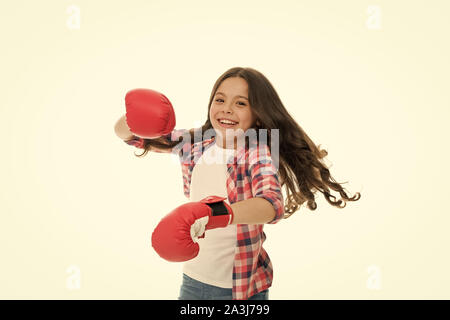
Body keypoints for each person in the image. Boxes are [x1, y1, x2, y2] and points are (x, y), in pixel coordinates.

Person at [114, 67, 361, 300]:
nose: (227, 109)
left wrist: (212, 213)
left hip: (239, 288)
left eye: (240, 103)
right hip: (193, 278)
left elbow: (272, 205)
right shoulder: (196, 144)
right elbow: (134, 138)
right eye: (220, 100)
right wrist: (137, 116)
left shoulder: (256, 153)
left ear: (258, 116)